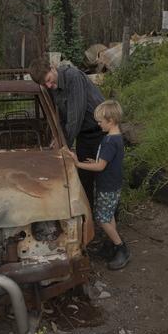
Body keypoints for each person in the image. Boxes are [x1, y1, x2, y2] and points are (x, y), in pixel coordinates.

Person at [29, 57, 104, 208]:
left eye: (49, 80)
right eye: (45, 84)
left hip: (102, 133)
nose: (49, 85)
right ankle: (87, 221)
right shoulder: (50, 88)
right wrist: (58, 137)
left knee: (104, 178)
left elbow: (75, 117)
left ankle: (110, 222)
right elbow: (61, 118)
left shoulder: (73, 77)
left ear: (53, 67)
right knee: (85, 178)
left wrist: (64, 145)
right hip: (84, 135)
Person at [68, 100, 130, 270]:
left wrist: (78, 164)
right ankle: (111, 245)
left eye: (100, 121)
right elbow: (105, 162)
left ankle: (121, 247)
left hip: (107, 186)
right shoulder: (115, 137)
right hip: (112, 183)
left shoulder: (110, 141)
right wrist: (94, 161)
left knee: (102, 219)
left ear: (110, 121)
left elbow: (100, 166)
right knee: (108, 216)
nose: (98, 124)